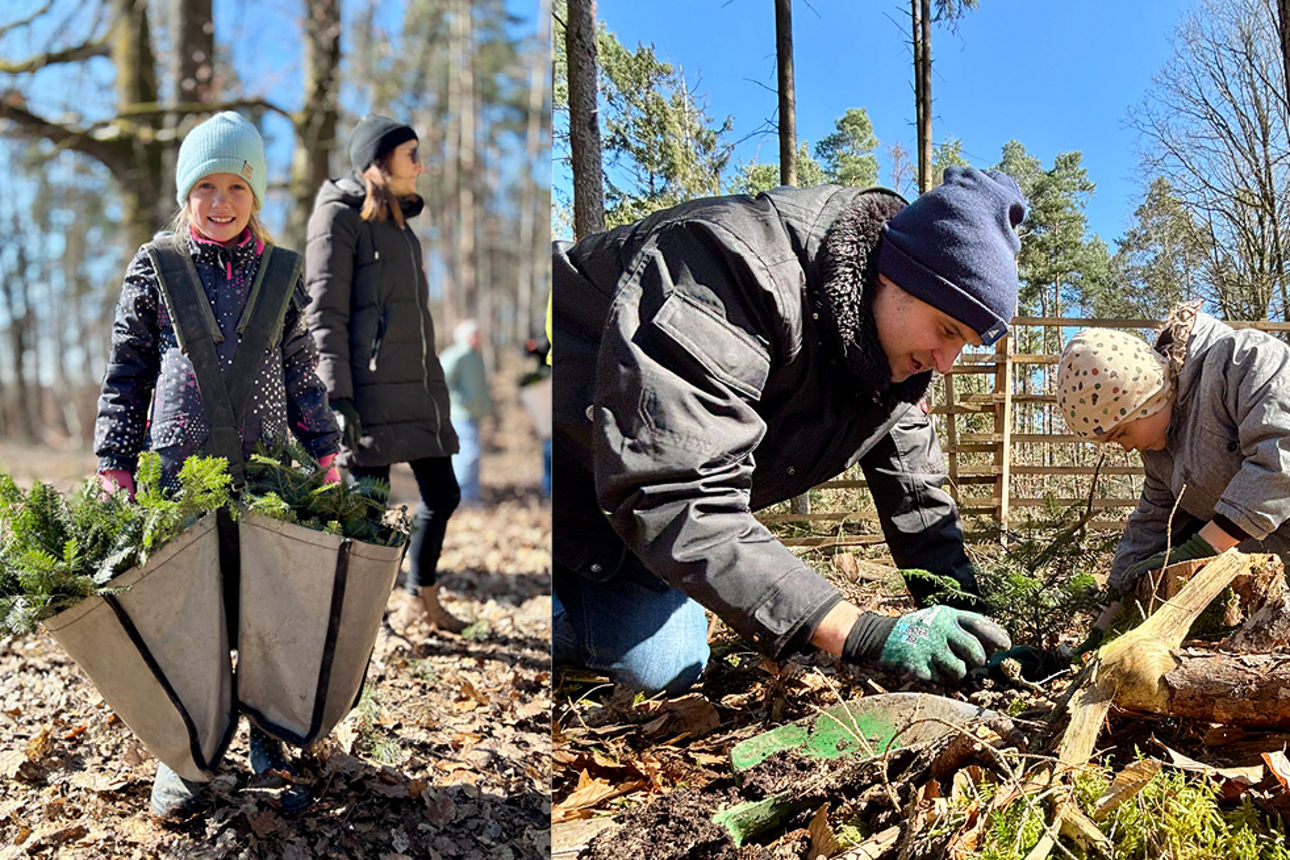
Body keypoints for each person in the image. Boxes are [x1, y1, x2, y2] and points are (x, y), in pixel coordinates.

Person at [553, 167, 1025, 695]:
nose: (945, 362)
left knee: (664, 669)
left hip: (615, 505)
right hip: (535, 441)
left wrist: (977, 638)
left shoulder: (891, 368)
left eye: (963, 344)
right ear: (895, 277)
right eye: (946, 330)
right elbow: (678, 486)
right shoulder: (732, 267)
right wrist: (860, 632)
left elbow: (920, 508)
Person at [93, 111, 340, 818]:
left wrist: (323, 450)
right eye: (207, 186)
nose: (222, 201)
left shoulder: (282, 273)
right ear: (186, 193)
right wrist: (115, 462)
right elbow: (127, 373)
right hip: (175, 476)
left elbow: (301, 372)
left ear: (255, 195)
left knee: (265, 608)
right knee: (186, 617)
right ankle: (187, 754)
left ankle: (272, 733)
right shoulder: (157, 267)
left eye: (237, 186)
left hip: (264, 470)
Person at [305, 114, 466, 634]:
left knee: (443, 495)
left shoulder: (401, 223)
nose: (421, 165)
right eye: (411, 154)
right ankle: (361, 619)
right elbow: (323, 311)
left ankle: (421, 596)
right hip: (366, 394)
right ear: (380, 160)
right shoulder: (337, 217)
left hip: (416, 390)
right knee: (367, 514)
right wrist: (335, 394)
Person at [1057, 301, 1290, 637]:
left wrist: (1203, 547)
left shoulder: (1243, 361)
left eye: (1120, 432)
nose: (1123, 446)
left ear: (1145, 397)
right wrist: (1102, 626)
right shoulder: (1161, 452)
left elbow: (1280, 458)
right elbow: (1150, 529)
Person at [441, 319, 494, 505]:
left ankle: (471, 496)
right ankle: (462, 497)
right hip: (460, 414)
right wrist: (459, 399)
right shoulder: (457, 355)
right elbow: (442, 379)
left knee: (473, 456)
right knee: (468, 455)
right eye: (474, 334)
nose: (478, 337)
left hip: (473, 414)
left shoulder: (476, 356)